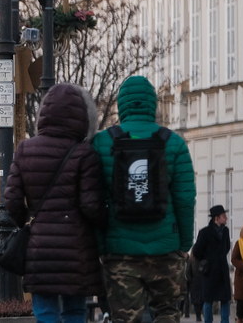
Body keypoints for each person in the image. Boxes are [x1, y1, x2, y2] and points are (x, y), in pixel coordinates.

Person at [92, 75, 196, 323]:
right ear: (153, 104)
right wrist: (183, 243)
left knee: (126, 317)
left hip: (120, 251)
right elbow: (184, 199)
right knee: (167, 313)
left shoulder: (102, 142)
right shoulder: (174, 143)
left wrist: (101, 245)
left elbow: (94, 202)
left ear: (122, 104)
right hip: (166, 250)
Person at [3, 82, 106, 323]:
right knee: (74, 310)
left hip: (39, 249)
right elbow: (91, 206)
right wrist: (103, 221)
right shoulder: (84, 153)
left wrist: (27, 221)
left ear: (44, 114)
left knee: (45, 311)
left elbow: (12, 200)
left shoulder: (25, 149)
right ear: (81, 116)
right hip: (77, 248)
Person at [194, 206, 233, 323]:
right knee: (208, 300)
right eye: (224, 216)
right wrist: (206, 260)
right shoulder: (205, 232)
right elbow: (196, 251)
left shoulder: (225, 231)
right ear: (217, 218)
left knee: (225, 299)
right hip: (210, 271)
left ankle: (225, 321)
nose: (226, 218)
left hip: (222, 270)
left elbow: (226, 247)